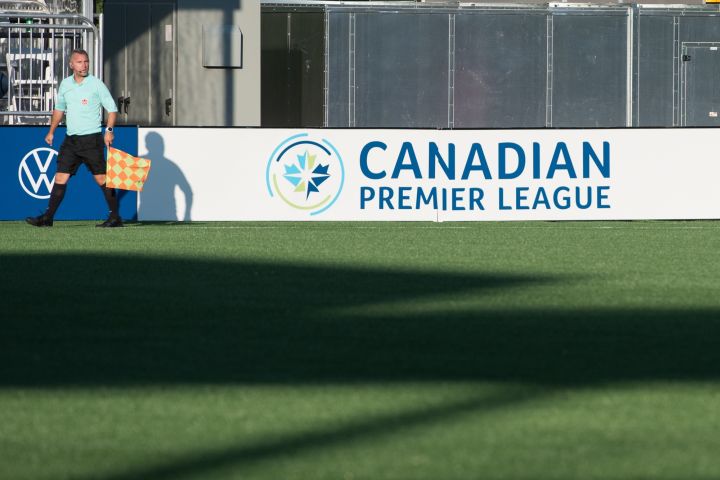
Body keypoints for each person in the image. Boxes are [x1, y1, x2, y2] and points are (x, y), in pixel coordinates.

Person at [26, 49, 121, 228]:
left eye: (86, 61)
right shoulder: (65, 84)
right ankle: (47, 218)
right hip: (71, 141)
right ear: (71, 65)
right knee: (60, 177)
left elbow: (112, 109)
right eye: (79, 62)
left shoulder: (96, 84)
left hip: (91, 140)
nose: (84, 65)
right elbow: (59, 110)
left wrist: (109, 130)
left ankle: (115, 217)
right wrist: (51, 131)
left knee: (102, 179)